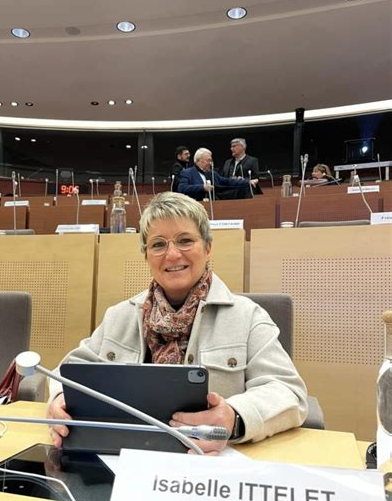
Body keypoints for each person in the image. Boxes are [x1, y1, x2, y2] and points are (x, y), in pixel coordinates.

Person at [47, 192, 308, 455]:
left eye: (185, 241)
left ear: (207, 247)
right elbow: (66, 373)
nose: (172, 254)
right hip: (125, 460)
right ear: (147, 255)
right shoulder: (119, 316)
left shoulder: (248, 316)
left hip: (208, 471)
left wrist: (235, 417)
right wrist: (60, 400)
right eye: (158, 245)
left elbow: (288, 392)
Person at [178, 148, 252, 200]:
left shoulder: (212, 174)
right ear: (199, 160)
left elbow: (227, 181)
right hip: (196, 208)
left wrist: (247, 181)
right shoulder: (187, 173)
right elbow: (182, 188)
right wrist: (202, 187)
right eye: (208, 160)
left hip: (216, 205)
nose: (211, 163)